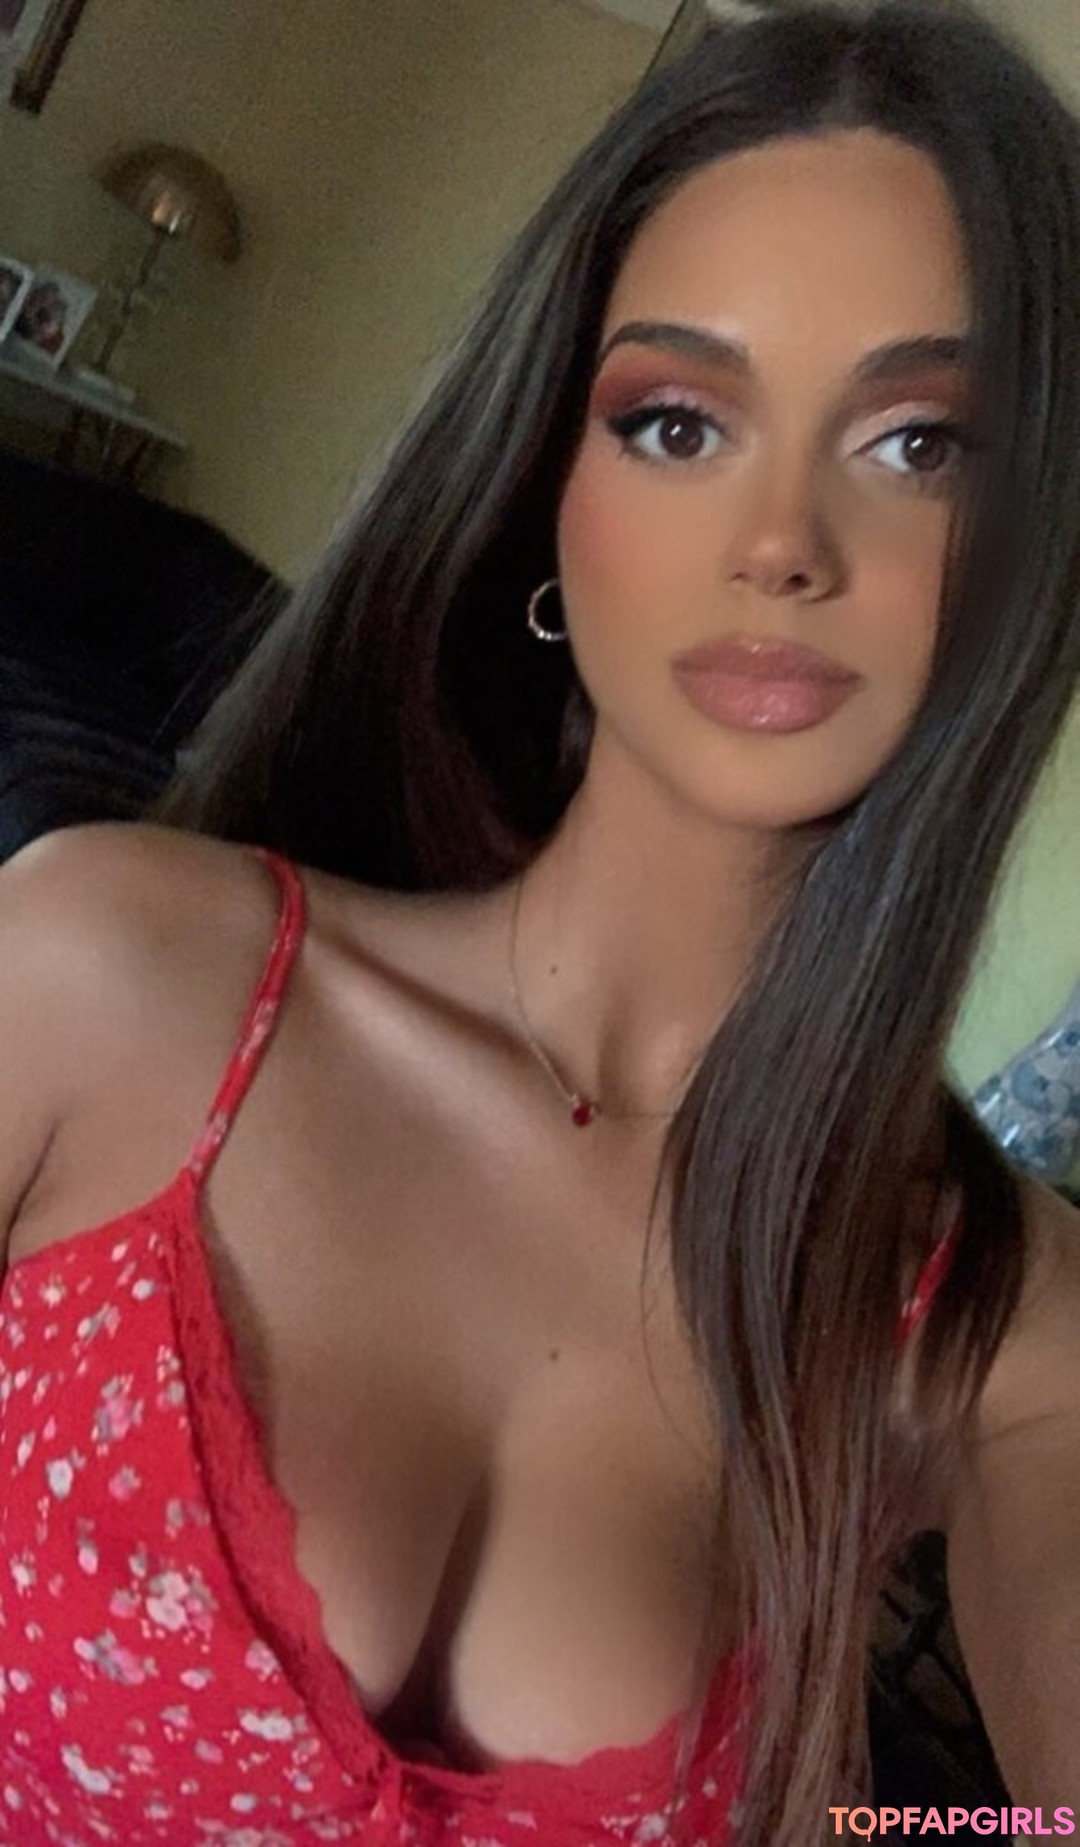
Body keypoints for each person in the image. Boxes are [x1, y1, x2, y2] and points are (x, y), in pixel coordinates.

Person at [1, 2, 1079, 1841]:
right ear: (553, 499)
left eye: (917, 445)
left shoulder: (982, 1311)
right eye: (677, 421)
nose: (780, 541)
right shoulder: (109, 969)